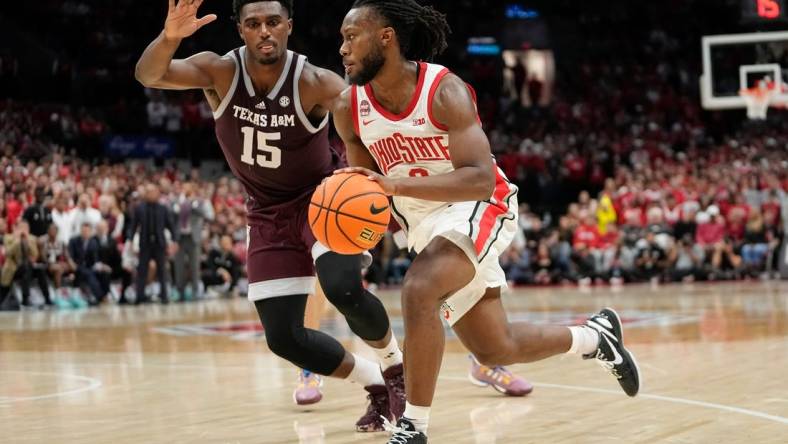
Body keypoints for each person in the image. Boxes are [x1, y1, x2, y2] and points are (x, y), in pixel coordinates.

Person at [333, 2, 640, 441]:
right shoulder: (348, 107)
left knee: (419, 288)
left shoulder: (444, 91)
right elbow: (368, 193)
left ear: (386, 37)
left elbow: (477, 180)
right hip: (424, 225)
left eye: (351, 37)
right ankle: (596, 337)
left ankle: (413, 428)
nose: (342, 49)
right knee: (496, 346)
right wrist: (354, 231)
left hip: (478, 205)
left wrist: (395, 188)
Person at [135, 0, 405, 431]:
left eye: (273, 22)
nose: (264, 31)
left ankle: (396, 372)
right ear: (241, 30)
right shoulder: (219, 72)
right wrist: (170, 38)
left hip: (321, 201)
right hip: (264, 212)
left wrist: (382, 189)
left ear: (289, 27)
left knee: (341, 288)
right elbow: (149, 74)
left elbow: (367, 119)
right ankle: (374, 383)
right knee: (283, 337)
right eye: (254, 23)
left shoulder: (315, 82)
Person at [128, 184, 177, 304]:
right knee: (142, 270)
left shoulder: (163, 208)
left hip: (159, 243)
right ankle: (140, 296)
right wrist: (130, 240)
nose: (151, 194)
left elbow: (170, 225)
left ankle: (164, 296)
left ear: (157, 193)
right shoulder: (139, 208)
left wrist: (175, 241)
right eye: (148, 192)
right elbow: (133, 226)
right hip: (145, 243)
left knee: (162, 270)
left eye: (153, 192)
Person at [172, 181, 214, 301]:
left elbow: (206, 215)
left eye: (187, 187)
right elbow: (172, 213)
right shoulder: (176, 200)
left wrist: (192, 204)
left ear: (192, 189)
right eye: (183, 187)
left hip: (193, 237)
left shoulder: (199, 201)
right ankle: (180, 292)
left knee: (195, 266)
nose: (184, 189)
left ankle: (196, 291)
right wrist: (181, 203)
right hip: (180, 237)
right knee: (179, 265)